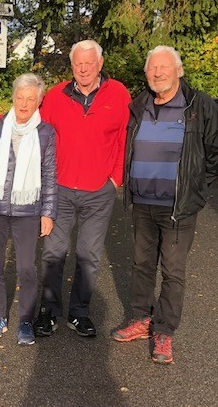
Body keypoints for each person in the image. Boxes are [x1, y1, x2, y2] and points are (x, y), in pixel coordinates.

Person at [0, 39, 131, 338]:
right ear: (72, 66)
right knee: (54, 252)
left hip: (98, 191)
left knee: (89, 254)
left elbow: (124, 138)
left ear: (100, 64)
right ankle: (49, 311)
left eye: (89, 63)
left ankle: (79, 313)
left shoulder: (119, 94)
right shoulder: (56, 94)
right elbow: (27, 114)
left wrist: (115, 178)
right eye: (78, 64)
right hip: (60, 188)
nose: (84, 69)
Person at [111, 46, 218, 364]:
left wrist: (197, 191)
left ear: (178, 70)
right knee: (141, 265)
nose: (157, 73)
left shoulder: (199, 105)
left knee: (173, 270)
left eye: (164, 67)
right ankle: (141, 319)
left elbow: (214, 151)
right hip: (142, 202)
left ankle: (164, 331)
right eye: (152, 68)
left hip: (177, 207)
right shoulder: (139, 104)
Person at [0, 73, 57, 346]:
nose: (24, 103)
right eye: (20, 97)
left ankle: (26, 320)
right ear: (13, 97)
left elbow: (49, 174)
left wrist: (48, 212)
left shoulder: (46, 133)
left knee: (26, 269)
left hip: (28, 211)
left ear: (39, 101)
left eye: (30, 99)